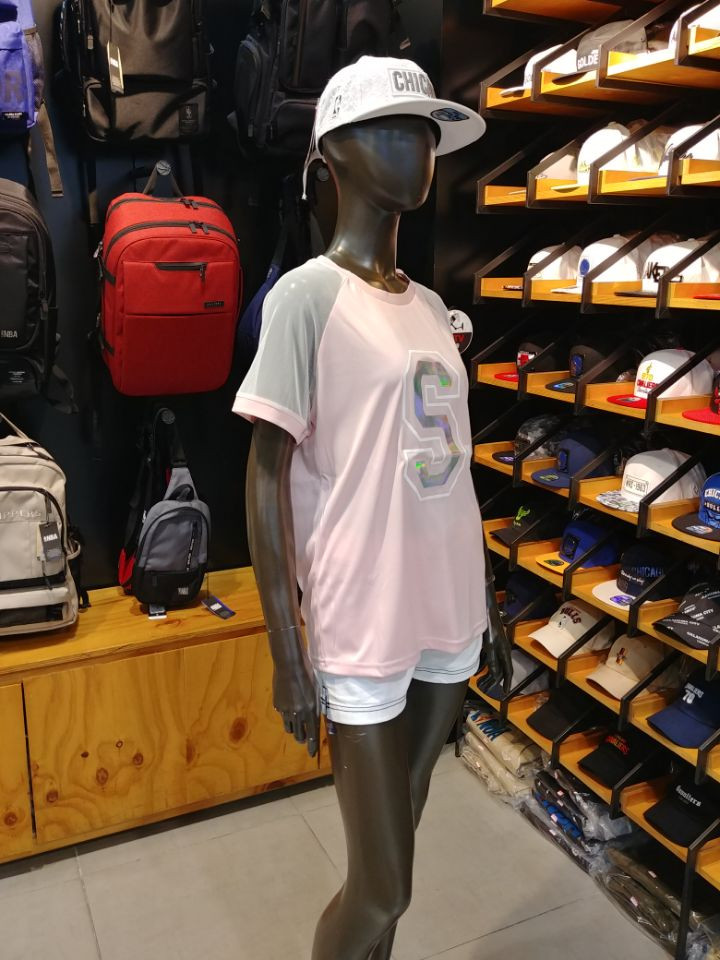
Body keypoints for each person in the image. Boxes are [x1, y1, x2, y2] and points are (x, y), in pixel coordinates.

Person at [234, 55, 511, 960]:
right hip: (361, 618)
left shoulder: (430, 306)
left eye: (426, 130)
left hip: (446, 609)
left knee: (402, 841)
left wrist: (486, 602)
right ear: (335, 155)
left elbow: (451, 471)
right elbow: (265, 475)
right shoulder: (307, 299)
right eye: (394, 128)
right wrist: (286, 648)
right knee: (384, 885)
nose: (419, 145)